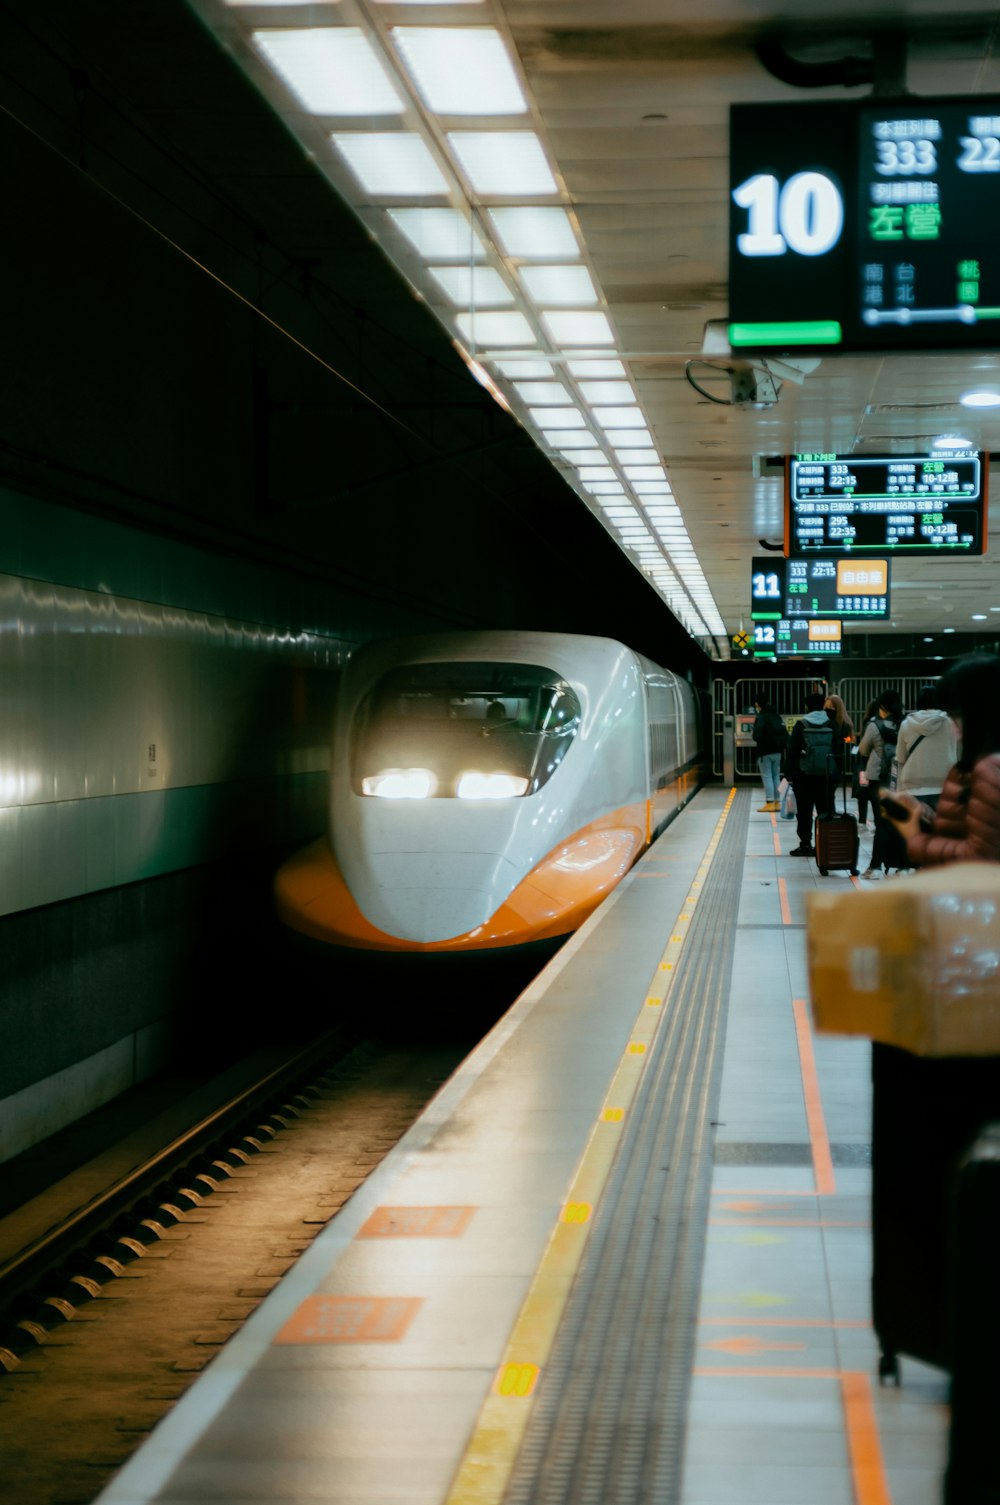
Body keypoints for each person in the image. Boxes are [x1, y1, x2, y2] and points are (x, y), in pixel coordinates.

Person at [882, 654, 1000, 866]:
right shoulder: (967, 769)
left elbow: (978, 857)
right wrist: (924, 814)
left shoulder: (989, 772)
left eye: (956, 713)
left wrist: (916, 837)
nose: (954, 726)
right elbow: (968, 832)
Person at [858, 689, 904, 879]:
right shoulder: (905, 725)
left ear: (882, 707)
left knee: (881, 824)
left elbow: (863, 750)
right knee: (900, 823)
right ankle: (903, 866)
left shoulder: (874, 726)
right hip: (900, 779)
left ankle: (875, 867)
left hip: (878, 779)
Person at [784, 690, 836, 856]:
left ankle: (806, 844)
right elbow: (838, 750)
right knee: (825, 811)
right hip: (826, 775)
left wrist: (789, 774)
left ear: (807, 706)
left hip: (804, 776)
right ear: (822, 705)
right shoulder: (832, 724)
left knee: (804, 812)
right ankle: (825, 844)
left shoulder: (802, 725)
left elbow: (792, 750)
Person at [894, 684, 957, 816]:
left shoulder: (906, 724)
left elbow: (900, 757)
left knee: (918, 832)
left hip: (913, 787)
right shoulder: (950, 723)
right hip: (943, 786)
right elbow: (956, 752)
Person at [751, 697, 787, 812]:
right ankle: (777, 803)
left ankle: (769, 802)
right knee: (776, 776)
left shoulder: (761, 717)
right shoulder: (776, 716)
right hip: (777, 751)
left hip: (764, 751)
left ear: (758, 704)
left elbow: (756, 736)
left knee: (767, 776)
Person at [853, 698, 879, 829]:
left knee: (863, 793)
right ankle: (877, 821)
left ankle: (862, 821)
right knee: (876, 795)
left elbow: (864, 747)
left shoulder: (868, 723)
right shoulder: (882, 723)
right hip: (877, 764)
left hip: (864, 762)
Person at [824, 692, 855, 796]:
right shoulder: (825, 722)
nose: (828, 709)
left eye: (831, 707)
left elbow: (847, 743)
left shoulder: (845, 724)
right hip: (826, 759)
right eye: (826, 706)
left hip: (837, 761)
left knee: (830, 791)